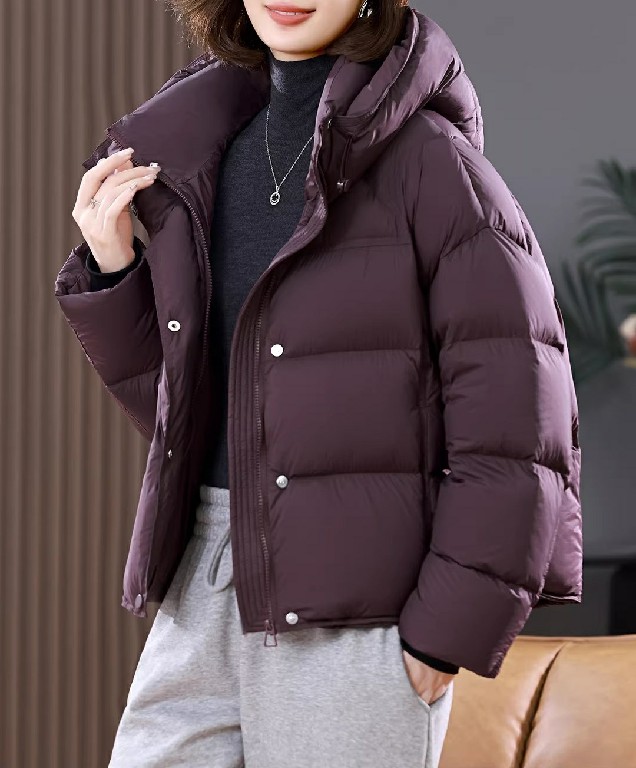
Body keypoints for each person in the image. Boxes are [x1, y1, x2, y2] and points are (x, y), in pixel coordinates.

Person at [54, 0, 583, 765]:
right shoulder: (201, 154)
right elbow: (196, 416)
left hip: (360, 610)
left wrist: (443, 636)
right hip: (203, 577)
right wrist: (116, 271)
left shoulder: (432, 166)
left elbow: (520, 424)